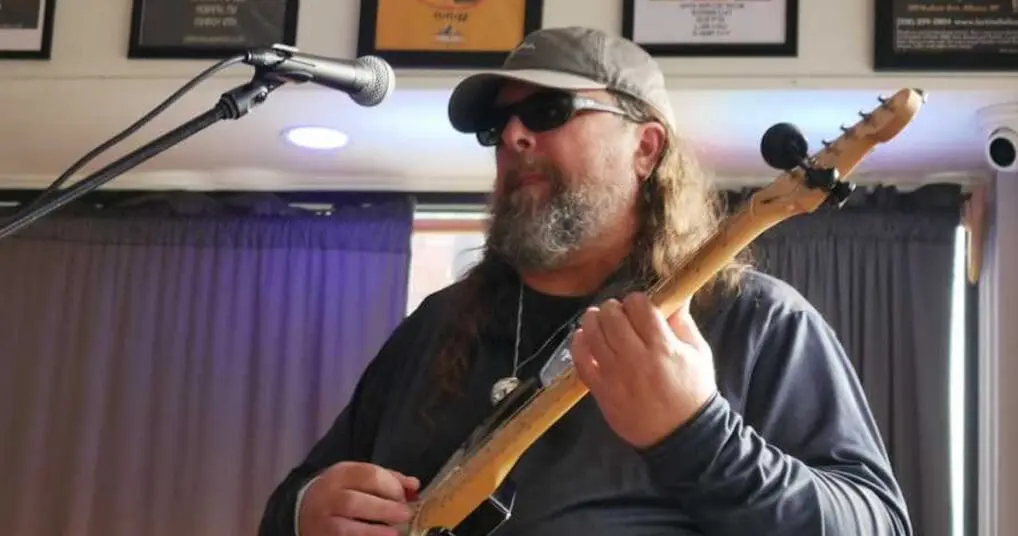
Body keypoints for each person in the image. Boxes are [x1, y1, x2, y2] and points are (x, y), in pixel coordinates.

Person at [258, 26, 913, 536]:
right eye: (497, 125)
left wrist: (700, 434)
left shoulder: (756, 321)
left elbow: (877, 523)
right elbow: (295, 498)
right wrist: (306, 509)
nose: (513, 135)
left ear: (645, 148)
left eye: (548, 110)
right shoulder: (437, 324)